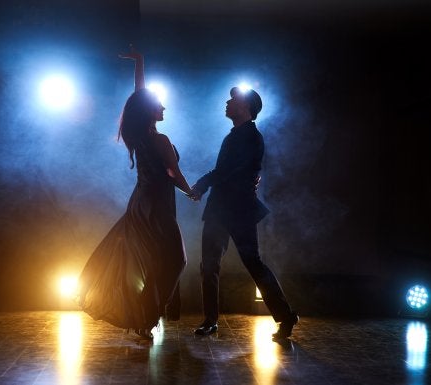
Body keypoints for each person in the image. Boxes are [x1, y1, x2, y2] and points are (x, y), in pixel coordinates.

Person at [76, 47, 194, 340]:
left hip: (140, 206)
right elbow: (173, 174)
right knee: (175, 260)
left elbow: (140, 96)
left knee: (148, 261)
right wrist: (192, 192)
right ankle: (146, 316)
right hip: (157, 208)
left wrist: (140, 62)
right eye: (160, 105)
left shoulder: (140, 136)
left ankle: (143, 318)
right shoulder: (160, 139)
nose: (164, 108)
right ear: (150, 111)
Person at [191, 86, 298, 340]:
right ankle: (211, 320)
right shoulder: (235, 136)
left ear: (247, 108)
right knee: (210, 266)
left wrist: (202, 184)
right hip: (223, 209)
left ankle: (285, 316)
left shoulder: (249, 137)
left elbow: (228, 171)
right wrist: (205, 185)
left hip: (237, 210)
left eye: (234, 100)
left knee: (252, 264)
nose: (228, 102)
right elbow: (228, 171)